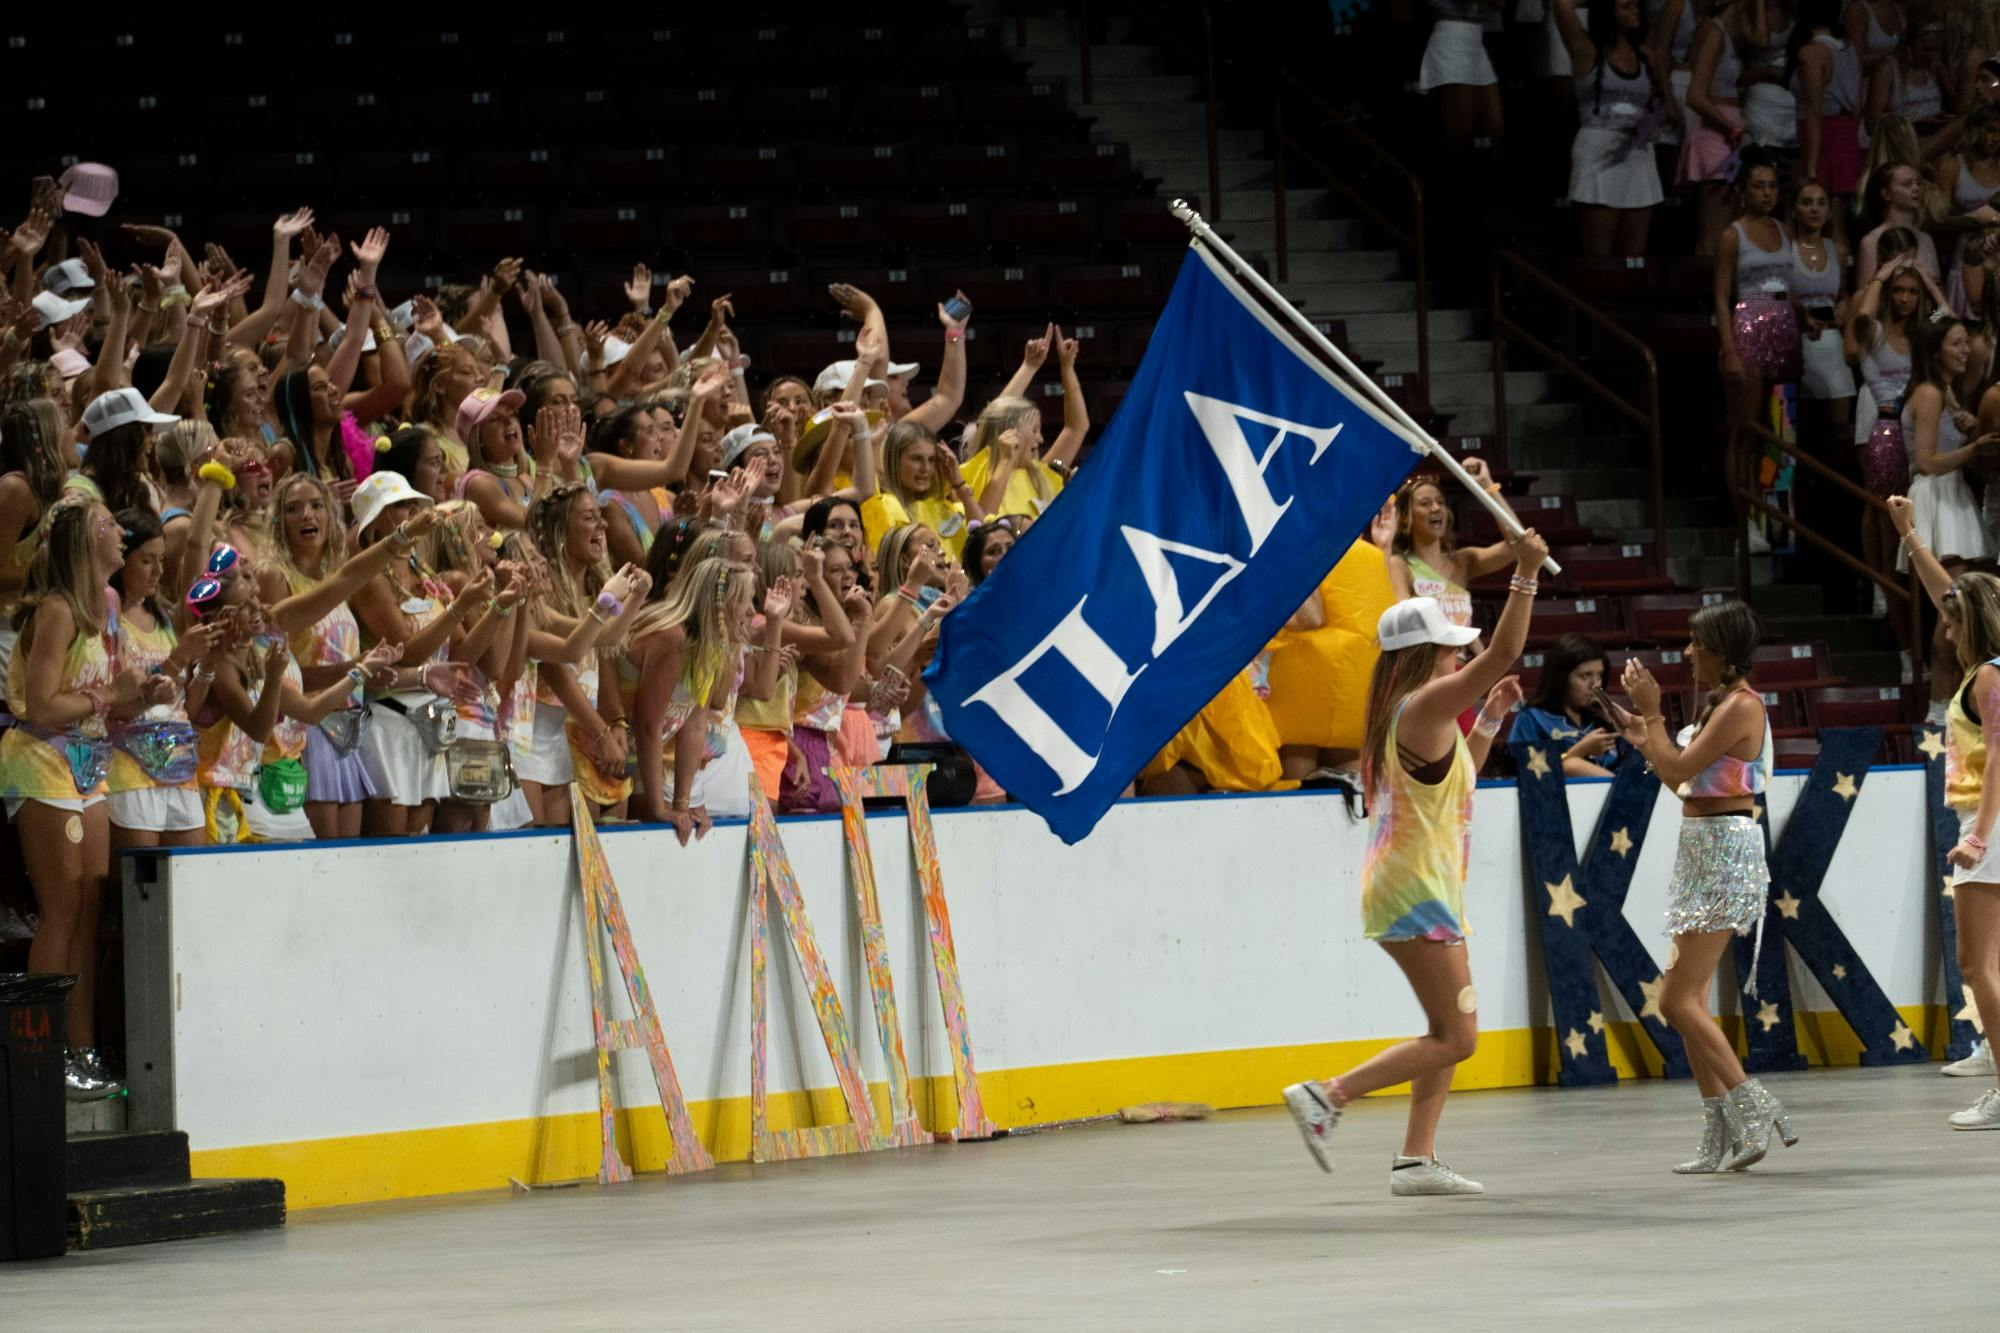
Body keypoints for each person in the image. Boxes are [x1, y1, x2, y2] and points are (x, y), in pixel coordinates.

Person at [1281, 527, 1549, 1197]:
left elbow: (1460, 782)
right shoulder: (1423, 706)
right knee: (1460, 1036)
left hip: (1419, 887)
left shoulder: (1420, 715)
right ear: (1429, 655)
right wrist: (1526, 571)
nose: (1465, 660)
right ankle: (1327, 1096)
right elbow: (1509, 648)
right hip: (1414, 891)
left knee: (1444, 1027)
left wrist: (1488, 718)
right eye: (1455, 652)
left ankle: (1415, 1159)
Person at [1606, 601, 1796, 1171]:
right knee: (1691, 994)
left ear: (1720, 649)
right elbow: (1675, 777)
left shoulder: (1740, 706)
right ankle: (1720, 1129)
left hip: (1723, 852)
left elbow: (1682, 770)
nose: (1687, 654)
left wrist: (1652, 714)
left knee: (1675, 998)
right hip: (1703, 847)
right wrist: (1646, 735)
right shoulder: (1722, 706)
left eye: (1695, 643)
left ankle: (1751, 1100)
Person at [0, 499, 177, 1097]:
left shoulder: (103, 606)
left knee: (92, 909)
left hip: (89, 765)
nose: (121, 533)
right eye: (109, 525)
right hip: (43, 763)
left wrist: (146, 691)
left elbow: (110, 697)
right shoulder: (55, 611)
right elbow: (43, 705)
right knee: (63, 910)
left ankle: (83, 1051)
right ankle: (43, 1059)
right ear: (79, 540)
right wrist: (109, 698)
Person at [1886, 495, 2000, 1118]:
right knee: (1990, 964)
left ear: (1973, 622)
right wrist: (1909, 534)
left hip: (1990, 823)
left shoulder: (1988, 677)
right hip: (1988, 821)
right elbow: (1943, 591)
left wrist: (1977, 837)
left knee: (1975, 962)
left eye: (1952, 621)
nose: (1944, 628)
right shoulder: (1988, 668)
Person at [1900, 315, 1999, 719]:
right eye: (1956, 344)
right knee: (1952, 615)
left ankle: (1952, 708)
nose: (1965, 352)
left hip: (1952, 493)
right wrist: (1975, 448)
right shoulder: (1929, 393)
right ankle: (1937, 716)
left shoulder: (1947, 391)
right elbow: (1925, 462)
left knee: (1966, 611)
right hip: (1936, 496)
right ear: (1937, 349)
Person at [1557, 0, 1665, 257]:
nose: (1635, 10)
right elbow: (1562, 5)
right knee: (1600, 258)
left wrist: (1648, 127)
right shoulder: (1588, 50)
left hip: (1638, 155)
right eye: (1626, 6)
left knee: (1634, 258)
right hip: (1597, 151)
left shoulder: (1647, 55)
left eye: (1636, 5)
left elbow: (1658, 102)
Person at [1511, 633, 1636, 776]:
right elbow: (1527, 772)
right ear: (1561, 678)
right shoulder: (1533, 719)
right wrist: (1578, 752)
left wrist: (1619, 725)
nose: (1595, 685)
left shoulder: (1603, 717)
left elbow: (1636, 767)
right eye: (1585, 676)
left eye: (1599, 675)